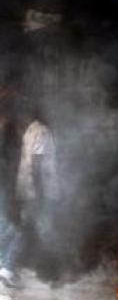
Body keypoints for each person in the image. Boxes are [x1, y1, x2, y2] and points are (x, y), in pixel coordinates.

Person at [1, 111, 59, 288]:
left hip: (25, 186)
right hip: (37, 190)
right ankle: (8, 268)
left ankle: (5, 263)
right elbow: (36, 161)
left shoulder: (30, 130)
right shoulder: (43, 131)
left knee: (16, 225)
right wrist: (39, 192)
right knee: (26, 228)